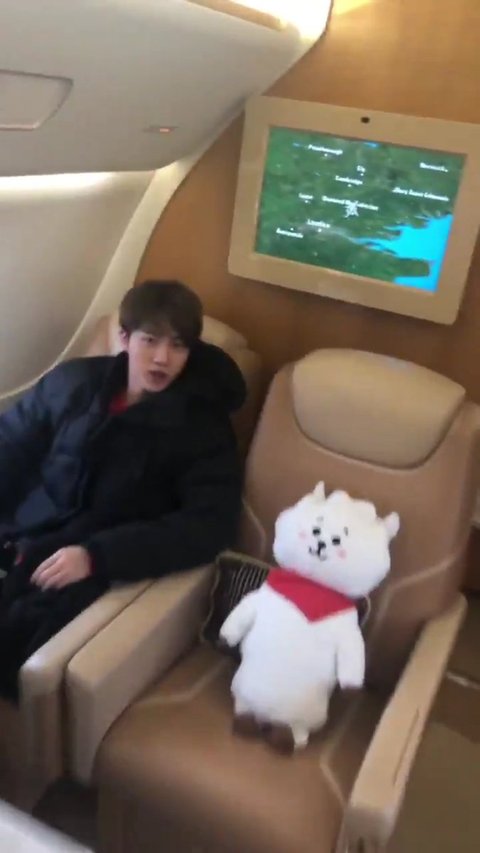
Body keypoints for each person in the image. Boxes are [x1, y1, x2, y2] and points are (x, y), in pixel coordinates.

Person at [0, 279, 246, 698]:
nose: (162, 358)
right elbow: (11, 446)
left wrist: (98, 556)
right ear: (125, 338)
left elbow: (209, 525)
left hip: (83, 563)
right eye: (150, 340)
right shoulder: (74, 384)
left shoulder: (202, 428)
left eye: (178, 346)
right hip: (18, 534)